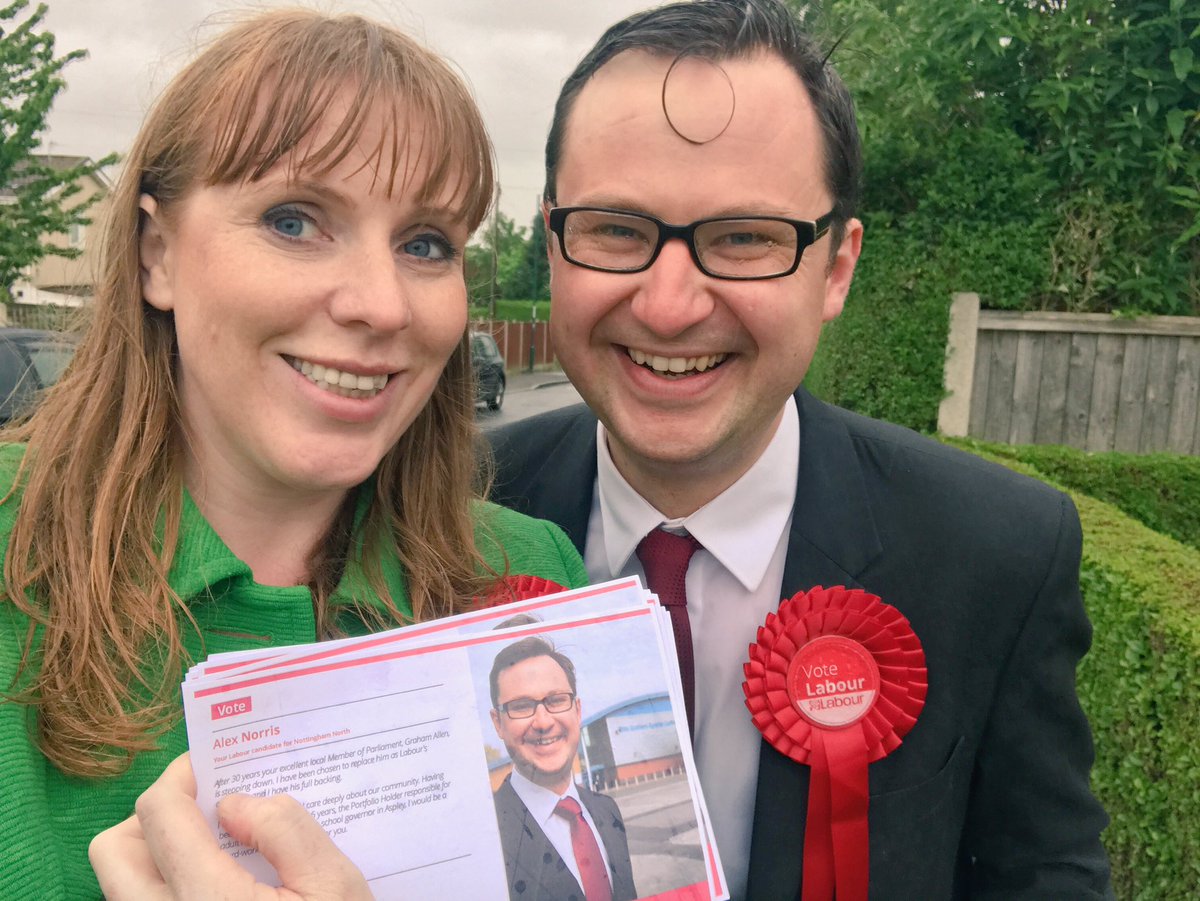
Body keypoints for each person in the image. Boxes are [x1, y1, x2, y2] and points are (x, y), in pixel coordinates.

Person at [486, 0, 1116, 898]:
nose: (669, 305)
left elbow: (1042, 876)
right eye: (617, 230)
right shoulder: (439, 511)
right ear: (553, 244)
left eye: (744, 239)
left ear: (838, 269)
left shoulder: (998, 554)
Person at [0, 10, 588, 899]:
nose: (382, 305)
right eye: (294, 220)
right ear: (157, 253)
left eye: (426, 243)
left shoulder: (529, 578)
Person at [488, 635, 637, 901]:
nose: (543, 722)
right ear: (498, 723)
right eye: (522, 706)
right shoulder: (486, 837)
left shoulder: (607, 810)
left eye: (556, 700)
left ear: (577, 711)